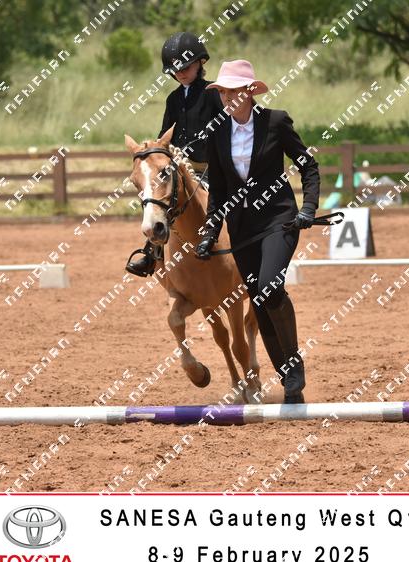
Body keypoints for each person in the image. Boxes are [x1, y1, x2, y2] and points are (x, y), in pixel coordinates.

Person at [194, 60, 320, 404]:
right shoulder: (217, 132)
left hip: (279, 220)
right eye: (223, 92)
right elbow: (218, 189)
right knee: (260, 302)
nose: (227, 98)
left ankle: (294, 369)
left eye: (233, 91)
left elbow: (308, 166)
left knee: (268, 287)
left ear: (250, 92)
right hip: (242, 230)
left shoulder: (275, 121)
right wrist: (209, 233)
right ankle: (288, 379)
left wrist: (309, 207)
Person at [126, 31, 223, 277]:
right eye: (175, 70)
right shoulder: (173, 99)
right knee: (161, 199)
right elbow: (164, 135)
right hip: (182, 167)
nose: (180, 73)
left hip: (213, 166)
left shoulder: (213, 93)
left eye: (185, 67)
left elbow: (225, 128)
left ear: (200, 62)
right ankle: (152, 253)